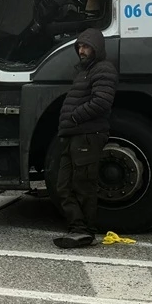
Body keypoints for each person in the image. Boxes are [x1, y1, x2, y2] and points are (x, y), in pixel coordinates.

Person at [52, 28, 118, 249]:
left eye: (86, 46)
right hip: (74, 135)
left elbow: (102, 102)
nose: (81, 50)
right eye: (79, 46)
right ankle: (76, 227)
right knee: (63, 184)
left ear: (97, 48)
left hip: (88, 135)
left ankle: (85, 230)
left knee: (83, 184)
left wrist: (74, 116)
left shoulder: (103, 69)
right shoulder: (84, 71)